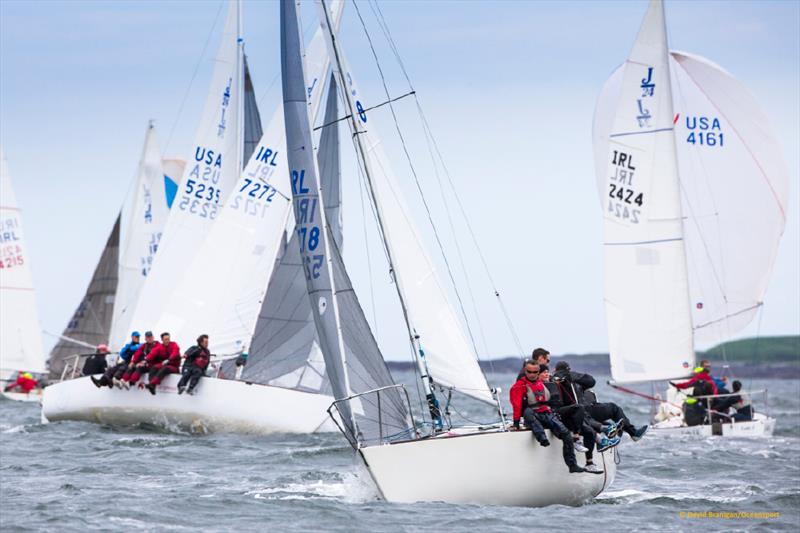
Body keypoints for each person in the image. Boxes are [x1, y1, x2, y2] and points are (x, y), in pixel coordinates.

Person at [509, 360, 587, 474]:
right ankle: (542, 438)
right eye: (529, 371)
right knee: (529, 413)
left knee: (566, 435)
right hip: (531, 414)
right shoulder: (519, 386)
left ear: (538, 372)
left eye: (535, 372)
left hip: (546, 413)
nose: (532, 374)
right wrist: (516, 423)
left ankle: (572, 465)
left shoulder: (542, 383)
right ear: (525, 371)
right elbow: (516, 405)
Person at [540, 365, 618, 474]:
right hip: (553, 414)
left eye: (547, 372)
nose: (546, 374)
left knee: (589, 431)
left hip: (564, 413)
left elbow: (585, 384)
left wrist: (563, 381)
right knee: (579, 409)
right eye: (543, 373)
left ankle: (590, 463)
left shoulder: (555, 382)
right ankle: (580, 438)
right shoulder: (539, 385)